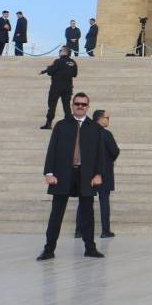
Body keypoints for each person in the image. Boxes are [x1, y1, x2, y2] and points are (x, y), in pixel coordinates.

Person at [37, 92, 106, 260]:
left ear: (88, 107)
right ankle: (48, 250)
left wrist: (98, 174)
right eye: (77, 104)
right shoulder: (61, 125)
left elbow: (100, 154)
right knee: (56, 214)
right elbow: (52, 149)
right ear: (72, 105)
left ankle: (90, 248)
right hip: (63, 174)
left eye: (83, 104)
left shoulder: (95, 128)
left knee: (87, 214)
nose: (80, 106)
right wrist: (49, 173)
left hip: (86, 175)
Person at [77, 108, 120, 238]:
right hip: (104, 172)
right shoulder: (106, 134)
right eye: (107, 118)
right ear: (100, 119)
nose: (108, 120)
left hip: (86, 172)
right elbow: (115, 151)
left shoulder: (85, 132)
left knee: (84, 201)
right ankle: (105, 230)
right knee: (104, 201)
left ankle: (79, 231)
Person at [40, 47, 77, 130]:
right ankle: (69, 124)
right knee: (66, 106)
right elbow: (75, 74)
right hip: (68, 87)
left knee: (52, 105)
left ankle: (48, 123)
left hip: (56, 87)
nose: (59, 52)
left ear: (64, 52)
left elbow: (50, 72)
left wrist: (50, 67)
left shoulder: (58, 61)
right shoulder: (73, 62)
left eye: (60, 50)